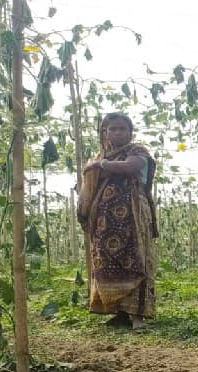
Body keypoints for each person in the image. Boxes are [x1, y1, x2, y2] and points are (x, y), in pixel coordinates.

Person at [77, 112, 157, 330]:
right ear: (105, 132)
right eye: (112, 129)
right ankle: (120, 313)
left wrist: (101, 165)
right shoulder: (99, 157)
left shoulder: (137, 151)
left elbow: (130, 166)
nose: (117, 132)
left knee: (135, 258)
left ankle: (137, 316)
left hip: (133, 216)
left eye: (122, 129)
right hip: (105, 220)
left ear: (130, 132)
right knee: (109, 259)